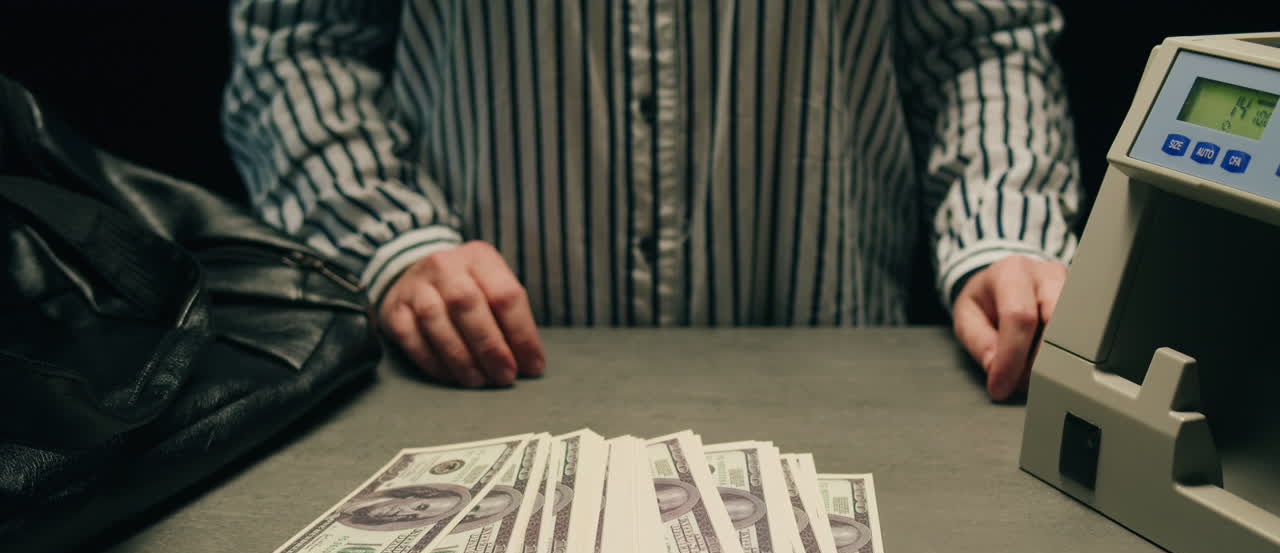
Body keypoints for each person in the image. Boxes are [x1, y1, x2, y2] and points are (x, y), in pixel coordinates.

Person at [222, 0, 1080, 401]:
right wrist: (389, 236)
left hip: (844, 366)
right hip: (475, 377)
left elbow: (979, 42)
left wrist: (1004, 234)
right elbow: (300, 43)